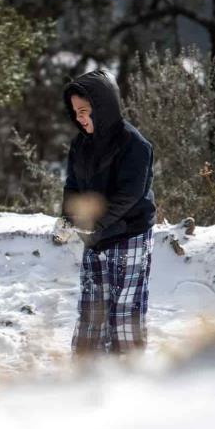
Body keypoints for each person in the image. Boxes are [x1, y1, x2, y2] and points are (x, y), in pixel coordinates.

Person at [59, 70, 156, 356]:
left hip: (129, 235)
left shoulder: (135, 144)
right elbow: (72, 186)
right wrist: (68, 216)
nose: (80, 118)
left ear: (103, 107)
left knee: (124, 313)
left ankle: (127, 379)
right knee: (92, 311)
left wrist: (96, 222)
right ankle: (85, 377)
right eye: (75, 112)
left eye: (85, 111)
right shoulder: (80, 145)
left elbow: (131, 193)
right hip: (95, 239)